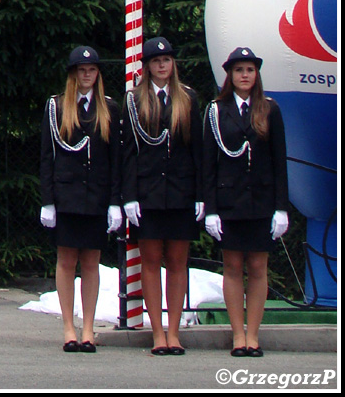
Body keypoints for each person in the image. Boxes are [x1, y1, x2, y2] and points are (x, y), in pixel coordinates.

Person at [202, 47, 289, 358]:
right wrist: (210, 209)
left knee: (257, 265)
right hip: (229, 201)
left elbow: (280, 160)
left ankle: (254, 335)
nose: (244, 75)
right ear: (230, 75)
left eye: (250, 70)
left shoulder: (269, 109)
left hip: (261, 200)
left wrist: (281, 207)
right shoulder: (216, 110)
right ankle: (237, 335)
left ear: (256, 74)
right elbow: (208, 163)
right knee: (233, 265)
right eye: (239, 70)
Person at [121, 36, 202, 356]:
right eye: (156, 61)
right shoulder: (134, 100)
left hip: (181, 192)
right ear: (147, 67)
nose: (162, 66)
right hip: (148, 193)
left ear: (173, 64)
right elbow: (128, 152)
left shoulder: (188, 98)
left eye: (166, 60)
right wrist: (129, 196)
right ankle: (157, 333)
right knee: (151, 262)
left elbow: (198, 149)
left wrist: (200, 195)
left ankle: (174, 331)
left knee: (178, 262)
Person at [39, 46, 123, 353]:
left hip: (96, 196)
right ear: (73, 74)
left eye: (92, 70)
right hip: (67, 195)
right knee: (66, 260)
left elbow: (115, 159)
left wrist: (115, 201)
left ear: (98, 74)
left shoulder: (109, 108)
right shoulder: (57, 107)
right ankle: (68, 327)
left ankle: (88, 328)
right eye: (81, 70)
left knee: (91, 262)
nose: (87, 75)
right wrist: (48, 200)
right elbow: (47, 156)